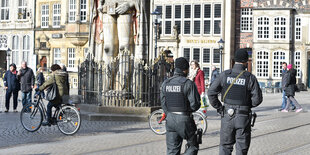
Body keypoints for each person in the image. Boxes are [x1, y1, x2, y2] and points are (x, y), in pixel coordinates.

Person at [208, 48, 263, 155]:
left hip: (227, 115)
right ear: (245, 61)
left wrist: (220, 108)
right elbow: (257, 99)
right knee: (241, 149)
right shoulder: (250, 78)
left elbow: (211, 92)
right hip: (243, 116)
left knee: (225, 147)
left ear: (234, 60)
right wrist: (246, 105)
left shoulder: (225, 75)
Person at [161, 57, 201, 155]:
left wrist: (169, 113)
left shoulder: (166, 83)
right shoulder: (188, 84)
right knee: (193, 145)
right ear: (185, 69)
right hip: (184, 119)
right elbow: (195, 104)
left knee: (172, 150)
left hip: (170, 119)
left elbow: (163, 103)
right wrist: (186, 111)